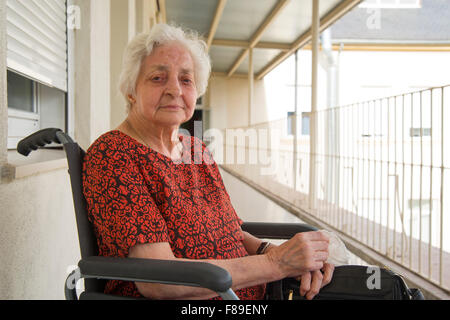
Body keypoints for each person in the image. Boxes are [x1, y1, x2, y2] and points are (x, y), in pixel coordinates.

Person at [82, 23, 334, 300]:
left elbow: (232, 231)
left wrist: (272, 251)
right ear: (131, 90)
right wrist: (277, 264)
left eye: (186, 80)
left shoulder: (195, 149)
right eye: (157, 78)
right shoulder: (114, 154)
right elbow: (158, 280)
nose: (175, 90)